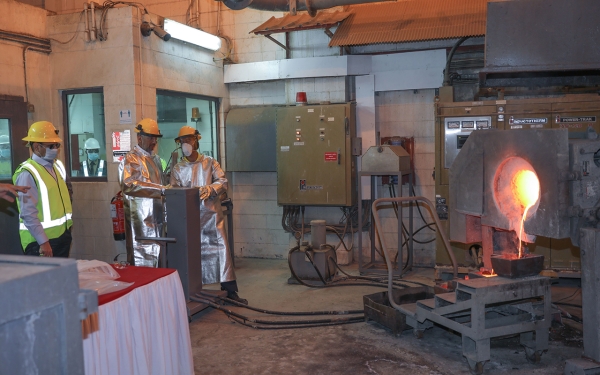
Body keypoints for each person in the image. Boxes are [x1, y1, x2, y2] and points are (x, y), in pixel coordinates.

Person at [170, 125, 247, 304]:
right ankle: (192, 290)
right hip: (189, 218)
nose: (186, 143)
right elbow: (174, 192)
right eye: (182, 141)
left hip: (211, 217)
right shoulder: (178, 169)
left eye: (189, 139)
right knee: (191, 255)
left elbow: (223, 181)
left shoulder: (210, 162)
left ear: (196, 140)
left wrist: (209, 189)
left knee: (222, 251)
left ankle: (230, 291)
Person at [13, 121, 73, 258]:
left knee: (59, 279)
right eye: (51, 146)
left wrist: (67, 231)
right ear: (36, 147)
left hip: (61, 236)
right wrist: (43, 242)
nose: (56, 149)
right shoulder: (27, 173)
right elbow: (28, 213)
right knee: (44, 280)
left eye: (57, 145)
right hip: (40, 243)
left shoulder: (57, 166)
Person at [118, 118, 168, 267]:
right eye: (151, 137)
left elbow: (162, 184)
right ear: (140, 137)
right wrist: (161, 189)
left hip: (158, 221)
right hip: (140, 223)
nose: (154, 141)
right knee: (142, 264)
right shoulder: (131, 159)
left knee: (159, 262)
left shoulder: (156, 159)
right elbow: (129, 185)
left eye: (156, 138)